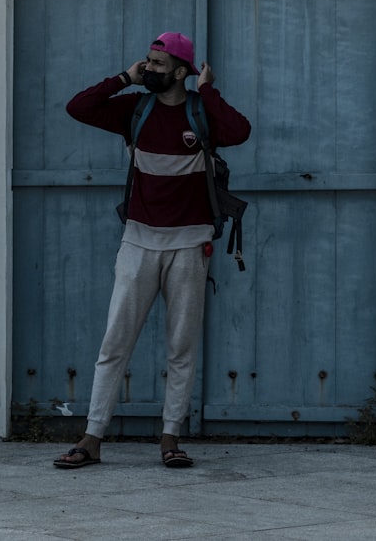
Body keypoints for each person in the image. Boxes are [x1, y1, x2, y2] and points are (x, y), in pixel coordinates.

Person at [54, 32, 251, 469]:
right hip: (138, 240)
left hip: (191, 242)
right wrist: (124, 77)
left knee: (181, 347)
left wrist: (209, 90)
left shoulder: (201, 112)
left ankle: (170, 439)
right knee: (114, 343)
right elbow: (78, 107)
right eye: (146, 61)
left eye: (157, 64)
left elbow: (240, 131)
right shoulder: (135, 110)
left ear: (181, 72)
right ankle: (92, 438)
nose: (148, 69)